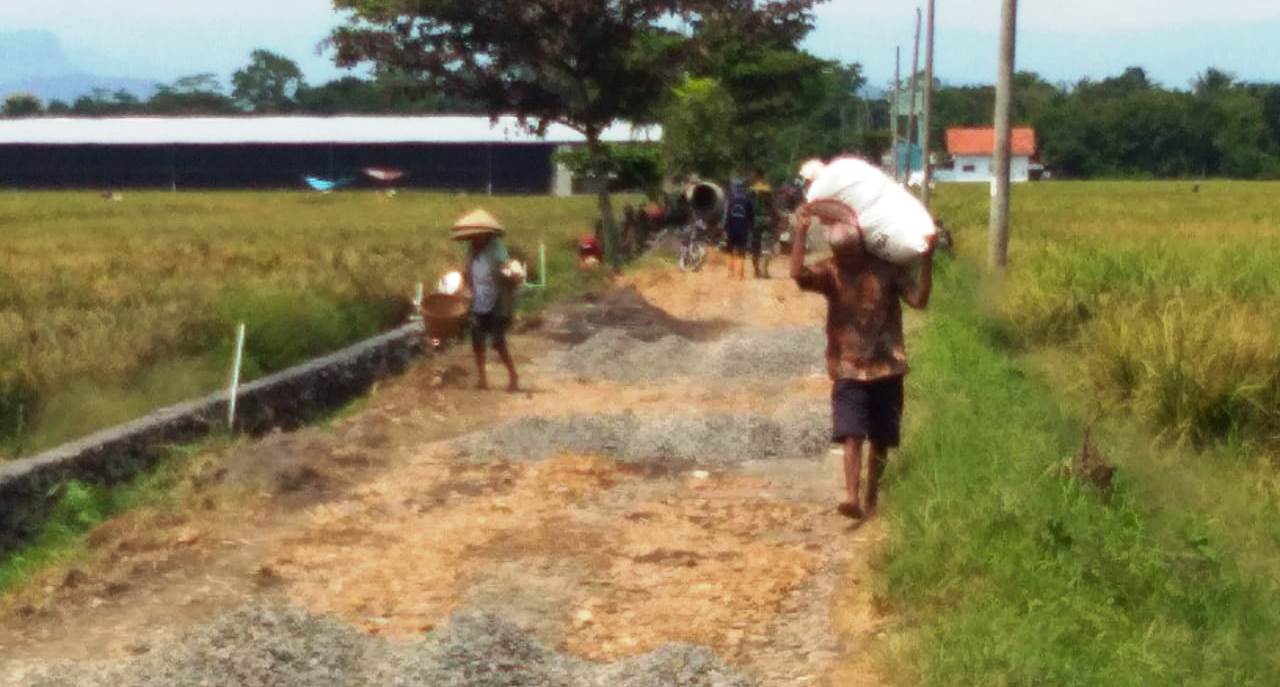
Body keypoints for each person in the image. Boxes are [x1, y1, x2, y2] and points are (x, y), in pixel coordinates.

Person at [790, 201, 935, 520]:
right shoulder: (831, 271)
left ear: (861, 246)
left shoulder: (886, 270)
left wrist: (927, 260)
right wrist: (800, 233)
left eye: (851, 252)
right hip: (848, 366)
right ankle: (853, 496)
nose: (847, 259)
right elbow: (798, 275)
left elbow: (919, 300)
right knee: (852, 433)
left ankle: (871, 493)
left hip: (887, 365)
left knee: (881, 438)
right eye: (842, 253)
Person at [452, 209, 520, 392]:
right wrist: (464, 290)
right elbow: (467, 273)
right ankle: (482, 379)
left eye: (477, 237)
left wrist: (511, 274)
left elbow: (506, 267)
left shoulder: (496, 248)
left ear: (486, 235)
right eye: (473, 238)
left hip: (498, 301)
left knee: (497, 341)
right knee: (477, 340)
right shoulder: (472, 250)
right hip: (479, 300)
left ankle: (513, 376)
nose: (475, 240)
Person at [723, 179, 753, 280]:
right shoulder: (747, 201)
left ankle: (729, 272)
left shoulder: (731, 201)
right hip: (743, 230)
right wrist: (750, 227)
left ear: (734, 189)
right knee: (741, 252)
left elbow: (727, 216)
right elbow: (751, 217)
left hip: (731, 229)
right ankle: (739, 275)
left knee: (729, 251)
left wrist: (725, 228)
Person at [748, 170, 775, 279]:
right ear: (763, 176)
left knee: (755, 246)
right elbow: (772, 205)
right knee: (767, 245)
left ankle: (756, 271)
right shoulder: (768, 189)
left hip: (755, 220)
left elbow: (748, 205)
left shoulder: (751, 190)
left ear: (756, 176)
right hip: (767, 219)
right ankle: (765, 271)